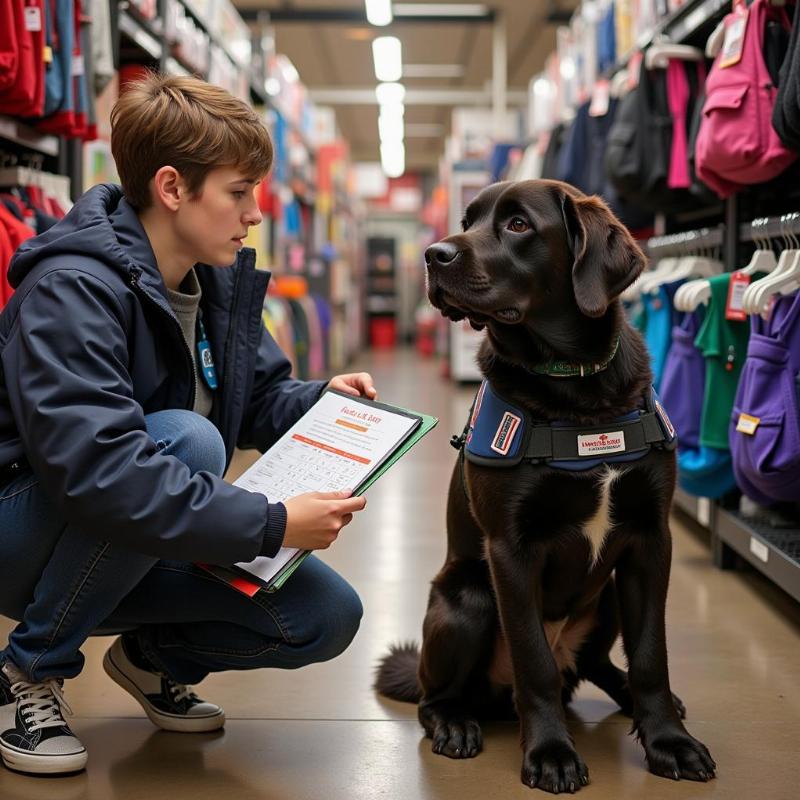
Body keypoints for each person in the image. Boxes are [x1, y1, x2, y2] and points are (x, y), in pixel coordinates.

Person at [0, 73, 374, 776]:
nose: (255, 214)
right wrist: (269, 524)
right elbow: (99, 469)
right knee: (189, 441)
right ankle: (26, 672)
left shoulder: (213, 283)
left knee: (323, 615)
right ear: (173, 188)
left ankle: (149, 661)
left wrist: (327, 401)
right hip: (24, 529)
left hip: (129, 531)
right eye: (239, 192)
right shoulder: (72, 288)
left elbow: (260, 397)